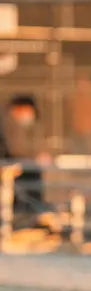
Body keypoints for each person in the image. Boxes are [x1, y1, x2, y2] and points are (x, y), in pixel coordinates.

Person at [0, 95, 49, 226]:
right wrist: (35, 158)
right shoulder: (7, 121)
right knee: (31, 173)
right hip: (7, 166)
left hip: (8, 165)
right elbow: (15, 149)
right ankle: (30, 215)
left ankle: (28, 214)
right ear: (22, 108)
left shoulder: (7, 120)